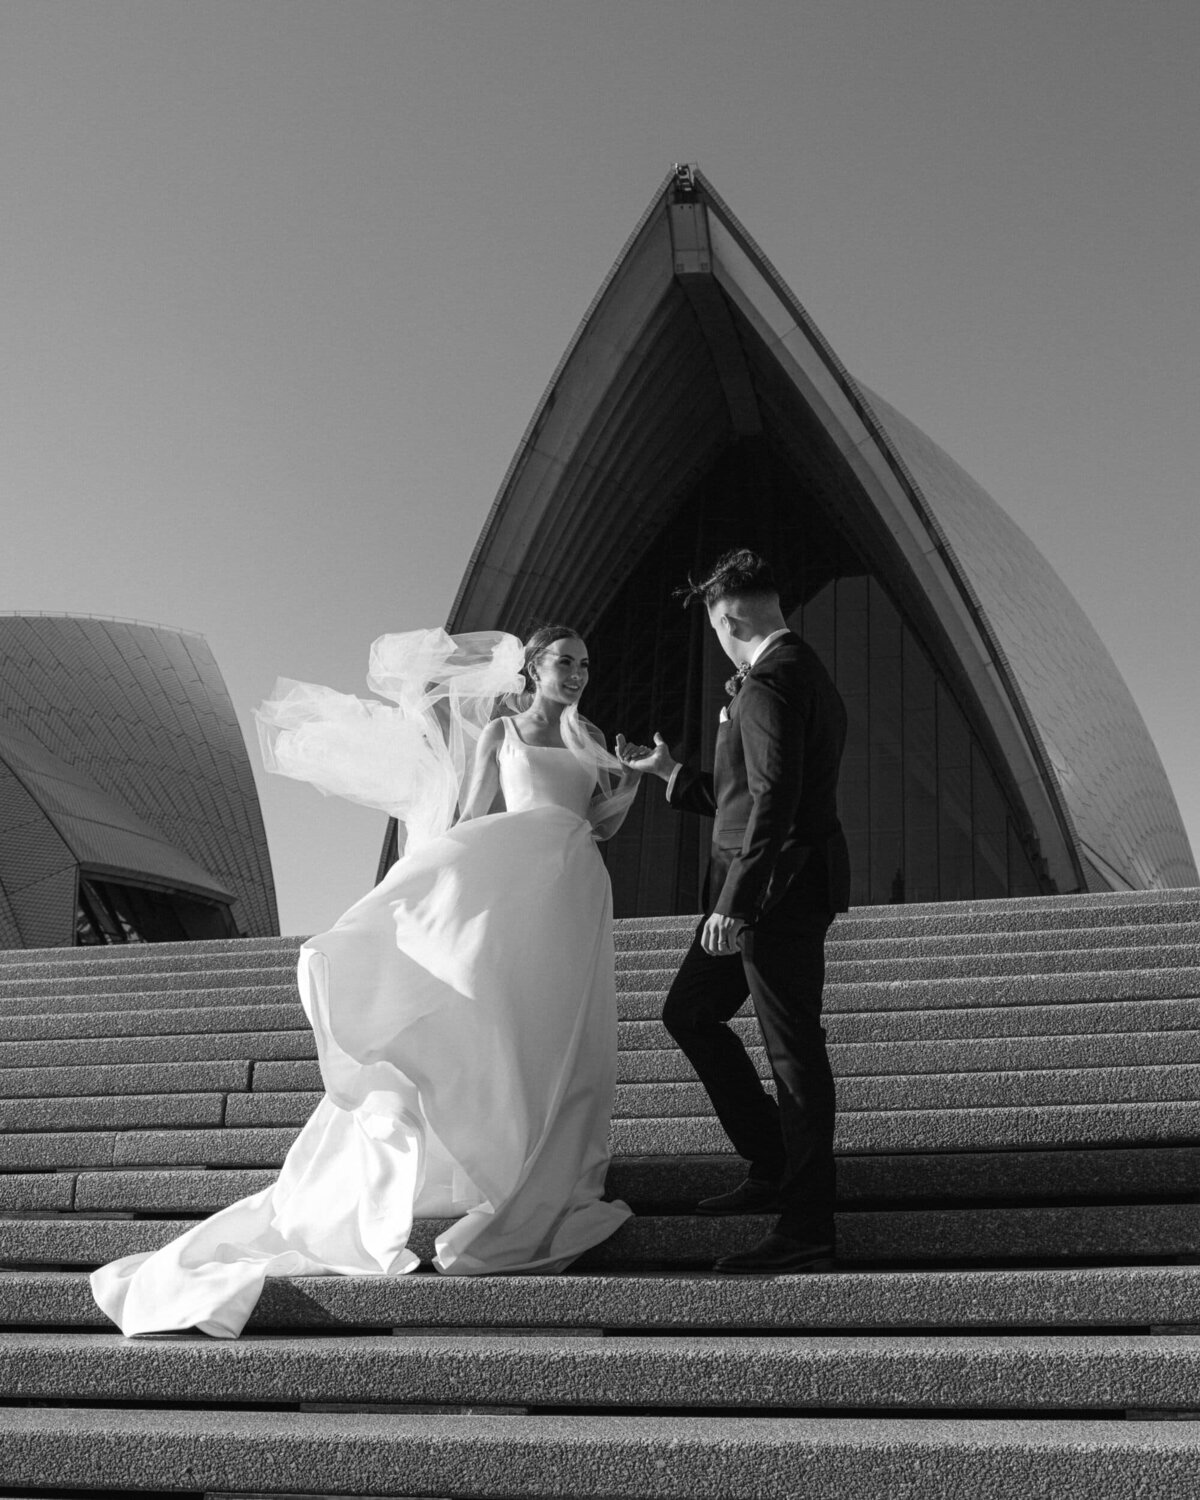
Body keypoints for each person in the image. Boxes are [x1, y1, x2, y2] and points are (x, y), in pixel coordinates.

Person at [90, 625, 637, 1338]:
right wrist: (427, 890)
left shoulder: (589, 733)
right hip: (516, 878)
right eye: (565, 662)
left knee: (560, 1027)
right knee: (502, 1009)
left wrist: (627, 783)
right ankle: (496, 1160)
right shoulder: (501, 729)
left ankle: (539, 1167)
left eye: (585, 664)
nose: (577, 673)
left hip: (576, 887)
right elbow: (470, 817)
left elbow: (598, 822)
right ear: (532, 668)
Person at [621, 549, 850, 1274]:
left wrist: (738, 902)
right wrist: (673, 775)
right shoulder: (796, 674)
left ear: (729, 618)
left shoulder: (769, 686)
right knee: (690, 1012)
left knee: (794, 1053)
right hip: (769, 886)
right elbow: (746, 795)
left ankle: (808, 1221)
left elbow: (778, 800)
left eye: (714, 627)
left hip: (772, 893)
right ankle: (772, 1162)